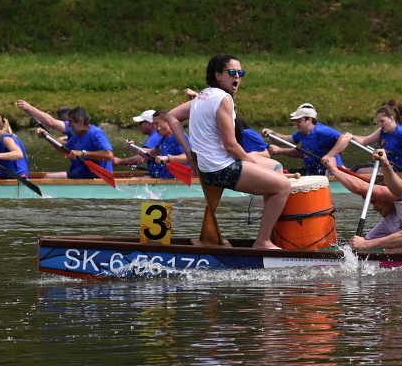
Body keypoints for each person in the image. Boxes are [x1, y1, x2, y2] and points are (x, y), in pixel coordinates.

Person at [165, 54, 290, 250]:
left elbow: (171, 116)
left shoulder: (202, 95)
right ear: (218, 75)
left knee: (276, 166)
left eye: (241, 73)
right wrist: (252, 162)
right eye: (232, 72)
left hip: (210, 166)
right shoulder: (223, 99)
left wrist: (188, 151)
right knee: (283, 186)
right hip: (219, 168)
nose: (237, 77)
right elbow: (231, 146)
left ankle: (272, 234)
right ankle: (262, 242)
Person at [322, 153, 402, 242]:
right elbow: (364, 243)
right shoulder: (387, 222)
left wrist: (334, 170)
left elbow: (360, 188)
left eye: (374, 202)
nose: (374, 208)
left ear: (384, 195)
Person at [16, 101, 113, 180]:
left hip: (92, 177)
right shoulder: (78, 134)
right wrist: (47, 136)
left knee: (48, 178)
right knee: (48, 176)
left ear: (81, 121)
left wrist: (83, 153)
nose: (69, 125)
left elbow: (109, 155)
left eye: (70, 121)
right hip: (80, 174)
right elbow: (64, 148)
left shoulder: (95, 133)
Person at [263, 103, 350, 176]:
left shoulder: (322, 131)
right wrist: (271, 133)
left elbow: (345, 138)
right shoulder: (301, 134)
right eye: (296, 121)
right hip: (313, 174)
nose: (296, 124)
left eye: (299, 121)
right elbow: (282, 140)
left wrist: (329, 156)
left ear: (309, 120)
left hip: (331, 175)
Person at [349, 104, 402, 175]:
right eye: (378, 122)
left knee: (360, 172)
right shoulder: (383, 131)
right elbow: (364, 141)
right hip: (391, 168)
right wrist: (350, 137)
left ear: (391, 118)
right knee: (356, 169)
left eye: (382, 121)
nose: (380, 125)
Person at [143, 109, 190, 179]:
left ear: (167, 123)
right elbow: (151, 152)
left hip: (179, 178)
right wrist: (132, 147)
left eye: (156, 123)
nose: (154, 128)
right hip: (165, 176)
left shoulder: (178, 137)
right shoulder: (164, 138)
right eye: (153, 124)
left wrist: (167, 158)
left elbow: (188, 157)